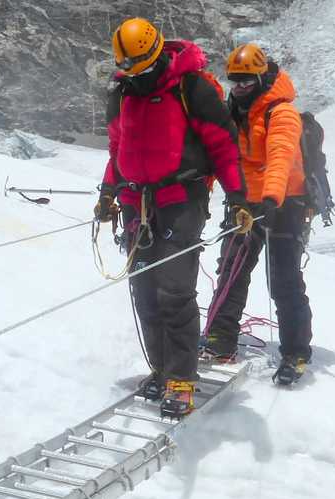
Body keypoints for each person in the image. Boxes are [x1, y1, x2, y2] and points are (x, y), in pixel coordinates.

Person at [95, 17, 251, 417]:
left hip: (181, 199)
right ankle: (162, 369)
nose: (137, 75)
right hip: (135, 203)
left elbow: (223, 145)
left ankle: (182, 377)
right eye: (130, 69)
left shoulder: (192, 88)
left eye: (142, 67)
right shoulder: (123, 91)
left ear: (156, 54)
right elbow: (118, 148)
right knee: (144, 290)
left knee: (174, 290)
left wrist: (237, 199)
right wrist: (108, 193)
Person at [201, 43, 314, 386]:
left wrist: (270, 197)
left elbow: (280, 156)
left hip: (285, 203)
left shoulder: (281, 112)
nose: (238, 88)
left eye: (246, 82)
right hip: (245, 204)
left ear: (262, 78)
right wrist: (204, 194)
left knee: (284, 279)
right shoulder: (233, 109)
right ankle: (221, 339)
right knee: (232, 270)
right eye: (234, 81)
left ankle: (295, 352)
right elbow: (216, 153)